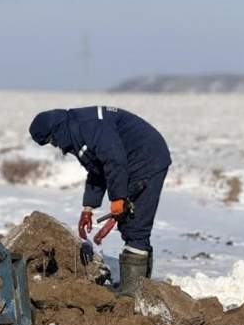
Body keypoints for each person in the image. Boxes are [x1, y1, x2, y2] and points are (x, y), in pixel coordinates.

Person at [29, 106, 171, 295]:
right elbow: (98, 170)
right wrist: (88, 207)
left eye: (52, 140)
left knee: (135, 225)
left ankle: (132, 294)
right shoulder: (77, 131)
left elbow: (115, 161)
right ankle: (140, 288)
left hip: (147, 158)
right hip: (132, 161)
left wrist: (118, 199)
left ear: (57, 130)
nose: (56, 145)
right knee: (130, 225)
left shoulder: (90, 127)